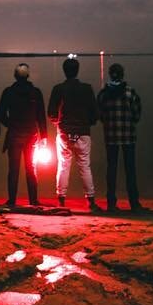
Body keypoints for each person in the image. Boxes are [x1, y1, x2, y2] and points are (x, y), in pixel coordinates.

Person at [49, 55, 100, 212]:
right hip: (83, 131)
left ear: (64, 71)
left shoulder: (58, 88)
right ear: (77, 71)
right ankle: (90, 200)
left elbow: (51, 112)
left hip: (64, 131)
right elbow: (94, 112)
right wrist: (88, 122)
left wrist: (58, 123)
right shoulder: (87, 88)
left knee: (63, 165)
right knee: (84, 165)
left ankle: (61, 199)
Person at [0, 62, 48, 209]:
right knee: (31, 168)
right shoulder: (36, 93)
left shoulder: (8, 92)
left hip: (14, 134)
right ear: (28, 76)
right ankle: (33, 200)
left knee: (13, 168)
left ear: (15, 75)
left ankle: (12, 200)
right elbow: (41, 116)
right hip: (31, 135)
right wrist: (44, 136)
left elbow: (1, 114)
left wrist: (10, 125)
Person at [96, 61, 144, 213]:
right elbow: (137, 115)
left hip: (111, 136)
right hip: (128, 136)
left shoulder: (103, 94)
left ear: (110, 75)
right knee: (130, 170)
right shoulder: (130, 92)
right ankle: (134, 203)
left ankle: (111, 203)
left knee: (111, 169)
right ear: (122, 75)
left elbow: (100, 115)